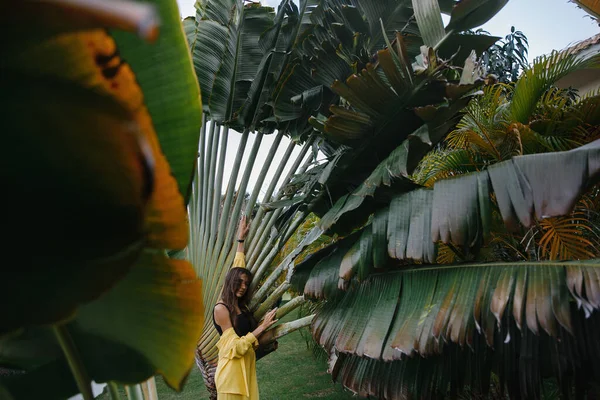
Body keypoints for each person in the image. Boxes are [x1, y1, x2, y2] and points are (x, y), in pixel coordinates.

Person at [213, 215, 279, 400]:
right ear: (231, 282)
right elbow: (234, 347)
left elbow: (238, 267)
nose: (243, 287)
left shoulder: (237, 304)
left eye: (246, 284)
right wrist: (262, 327)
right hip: (231, 377)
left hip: (245, 371)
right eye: (239, 283)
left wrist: (241, 239)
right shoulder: (222, 308)